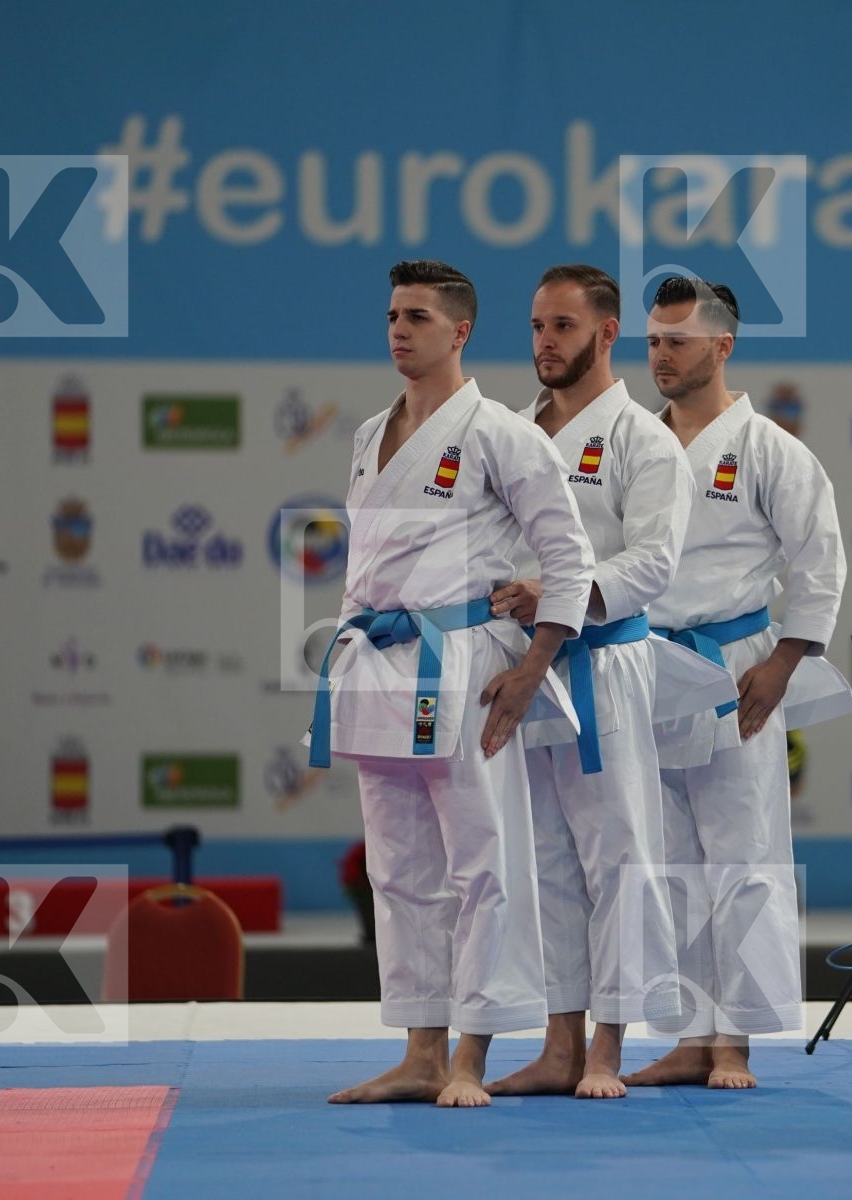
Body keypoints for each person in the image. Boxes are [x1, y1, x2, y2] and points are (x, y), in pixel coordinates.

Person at [317, 259, 596, 1108]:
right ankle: (420, 1050)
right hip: (378, 660)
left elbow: (569, 558)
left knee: (483, 863)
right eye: (393, 315)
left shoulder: (500, 433)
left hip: (465, 664)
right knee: (397, 867)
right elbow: (364, 569)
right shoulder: (371, 433)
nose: (400, 330)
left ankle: (473, 1053)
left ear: (461, 331)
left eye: (418, 318)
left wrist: (532, 666)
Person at [486, 264, 735, 1100]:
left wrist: (559, 596)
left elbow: (654, 563)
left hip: (606, 664)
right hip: (524, 668)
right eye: (535, 326)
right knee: (545, 859)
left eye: (561, 326)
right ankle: (557, 1043)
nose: (544, 343)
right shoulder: (512, 431)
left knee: (619, 854)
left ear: (604, 333)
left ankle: (608, 1047)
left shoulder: (644, 439)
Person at [623, 277, 852, 1091]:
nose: (660, 356)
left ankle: (735, 1042)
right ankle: (688, 1035)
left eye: (677, 341)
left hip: (733, 668)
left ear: (723, 346)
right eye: (652, 340)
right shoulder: (629, 446)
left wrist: (786, 660)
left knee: (742, 853)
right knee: (666, 860)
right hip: (644, 666)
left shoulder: (771, 451)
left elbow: (818, 562)